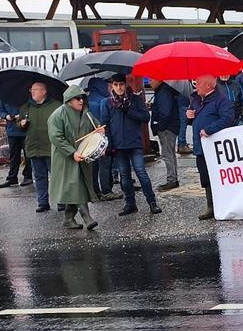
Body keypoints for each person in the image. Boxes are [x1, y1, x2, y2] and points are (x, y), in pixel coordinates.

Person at [98, 74, 160, 216]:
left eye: (121, 84)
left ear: (125, 85)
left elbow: (145, 117)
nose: (119, 88)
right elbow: (105, 125)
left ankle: (152, 202)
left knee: (141, 172)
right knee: (124, 176)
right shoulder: (107, 103)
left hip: (134, 143)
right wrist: (108, 145)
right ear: (112, 86)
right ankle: (130, 203)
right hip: (118, 145)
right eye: (116, 85)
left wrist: (129, 110)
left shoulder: (135, 100)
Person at [47, 85, 101, 230]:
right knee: (76, 186)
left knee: (77, 186)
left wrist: (100, 130)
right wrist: (71, 152)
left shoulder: (86, 113)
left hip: (82, 156)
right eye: (78, 98)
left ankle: (68, 218)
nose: (81, 101)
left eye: (83, 98)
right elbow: (56, 137)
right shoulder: (57, 115)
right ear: (69, 100)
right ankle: (87, 218)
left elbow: (95, 126)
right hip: (66, 158)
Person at [189, 74, 237, 220]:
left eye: (198, 83)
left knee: (219, 177)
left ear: (208, 86)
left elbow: (228, 118)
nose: (195, 86)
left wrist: (210, 129)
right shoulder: (197, 99)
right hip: (201, 147)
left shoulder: (222, 100)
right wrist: (189, 116)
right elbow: (193, 119)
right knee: (205, 177)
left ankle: (226, 204)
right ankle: (211, 206)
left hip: (215, 148)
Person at [20, 82, 62, 213]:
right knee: (39, 177)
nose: (32, 92)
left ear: (44, 91)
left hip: (51, 147)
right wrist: (21, 124)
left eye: (35, 90)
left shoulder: (56, 105)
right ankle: (42, 202)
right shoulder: (26, 106)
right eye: (31, 90)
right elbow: (19, 124)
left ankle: (61, 201)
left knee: (56, 176)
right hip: (33, 147)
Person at [151, 81, 183, 191]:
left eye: (151, 79)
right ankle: (173, 178)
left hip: (167, 128)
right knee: (170, 153)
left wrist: (160, 126)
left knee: (167, 154)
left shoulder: (163, 92)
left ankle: (172, 180)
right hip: (171, 126)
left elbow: (165, 112)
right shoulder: (165, 91)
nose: (150, 83)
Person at [0, 97, 30, 188]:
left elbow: (30, 109)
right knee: (14, 156)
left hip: (25, 130)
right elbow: (0, 110)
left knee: (28, 155)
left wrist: (22, 115)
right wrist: (6, 116)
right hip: (12, 130)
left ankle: (28, 176)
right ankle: (12, 177)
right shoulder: (4, 97)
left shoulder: (25, 96)